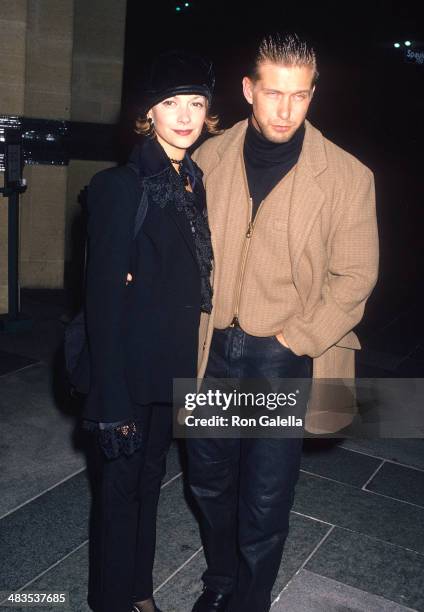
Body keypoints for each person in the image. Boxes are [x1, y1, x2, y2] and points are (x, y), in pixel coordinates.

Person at [188, 33, 379, 612]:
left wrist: (294, 339)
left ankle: (251, 599)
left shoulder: (347, 177)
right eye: (273, 93)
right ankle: (220, 580)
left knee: (266, 498)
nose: (285, 110)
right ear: (249, 90)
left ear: (312, 94)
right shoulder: (206, 158)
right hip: (211, 349)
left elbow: (356, 277)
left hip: (282, 357)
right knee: (207, 480)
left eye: (299, 96)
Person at [83, 50, 217, 612]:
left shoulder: (193, 180)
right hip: (129, 378)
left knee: (148, 488)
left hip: (171, 371)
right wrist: (110, 401)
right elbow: (100, 304)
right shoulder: (121, 186)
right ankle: (113, 600)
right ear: (148, 114)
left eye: (195, 102)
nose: (184, 115)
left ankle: (139, 593)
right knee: (119, 496)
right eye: (169, 103)